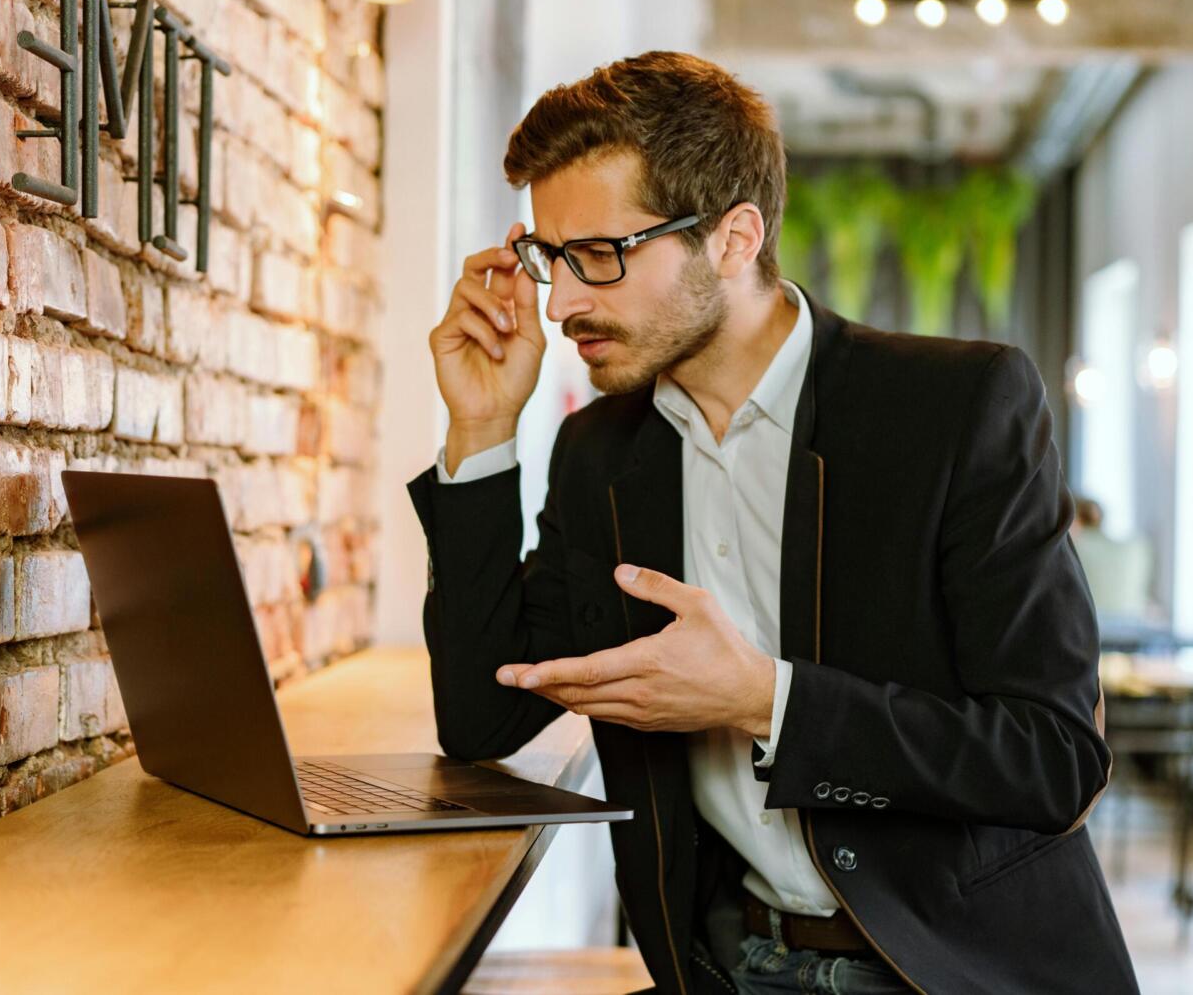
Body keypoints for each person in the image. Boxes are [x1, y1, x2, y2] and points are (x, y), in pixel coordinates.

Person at [407, 51, 1136, 995]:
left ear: (735, 238)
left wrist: (767, 700)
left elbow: (1055, 758)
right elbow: (479, 716)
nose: (563, 303)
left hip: (950, 970)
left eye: (601, 256)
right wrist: (480, 427)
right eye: (553, 259)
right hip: (726, 964)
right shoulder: (602, 457)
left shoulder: (955, 409)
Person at [1068, 497, 1155, 622]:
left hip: (1091, 627)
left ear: (1076, 521)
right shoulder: (1138, 548)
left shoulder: (1076, 548)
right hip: (1132, 625)